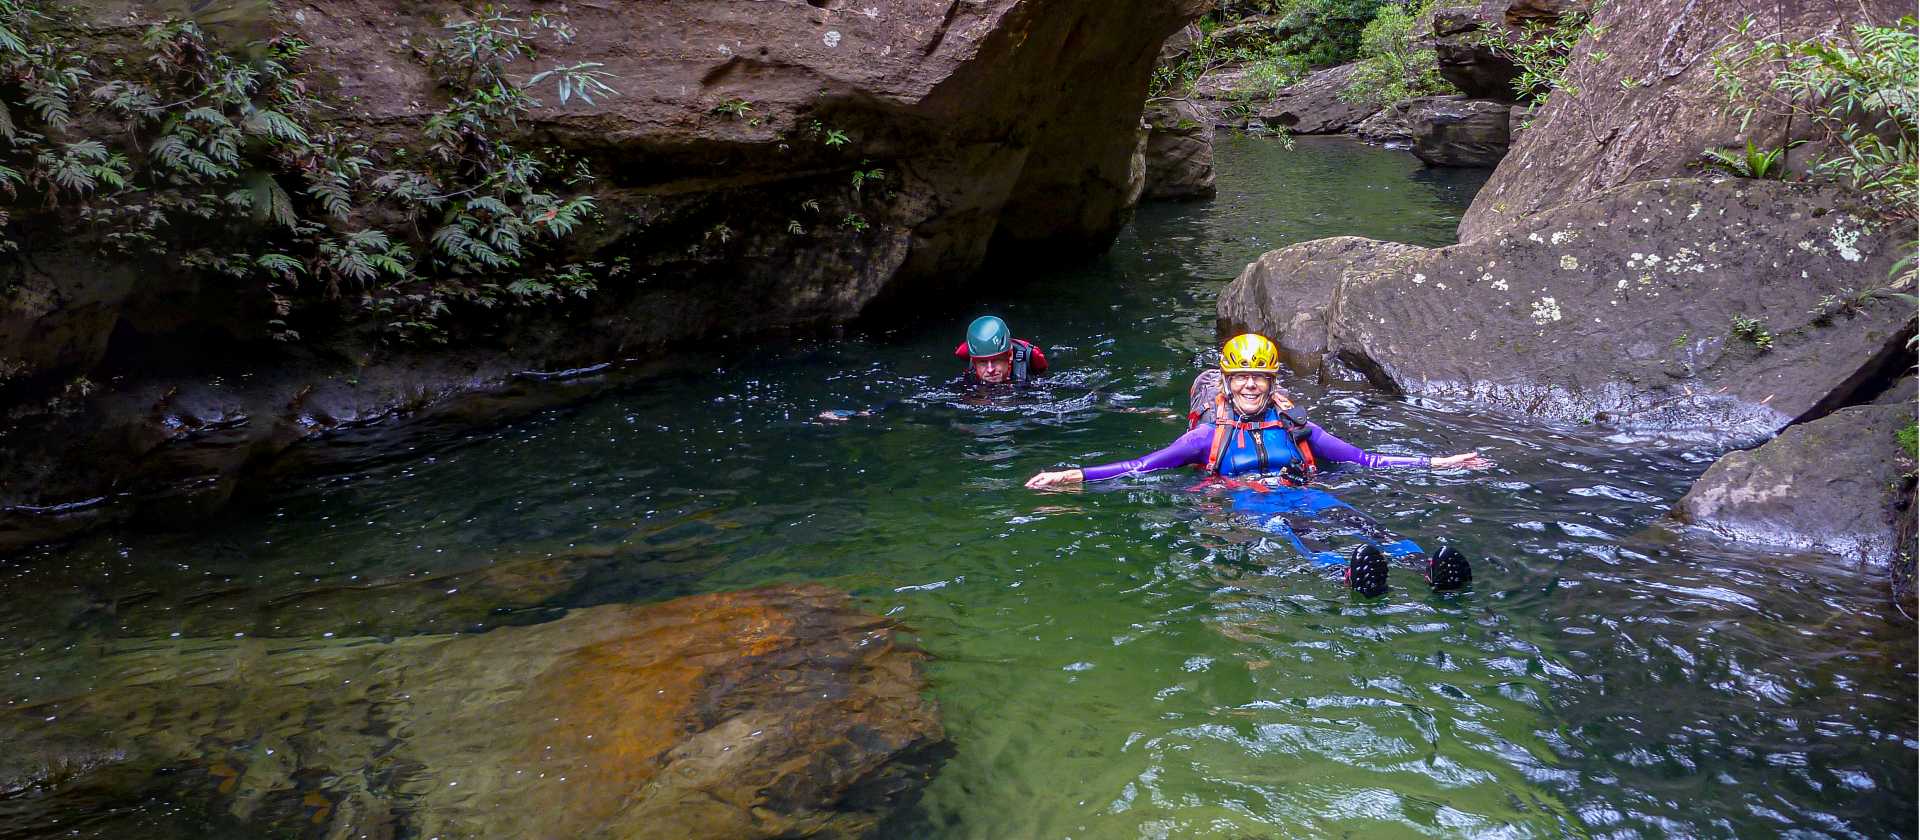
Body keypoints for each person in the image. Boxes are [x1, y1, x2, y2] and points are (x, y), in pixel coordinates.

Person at [1024, 333, 1491, 595]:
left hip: (1306, 490)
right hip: (1252, 503)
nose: (1251, 385)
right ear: (1227, 382)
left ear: (1272, 382)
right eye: (1242, 376)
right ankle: (1348, 574)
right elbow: (1141, 467)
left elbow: (1365, 459)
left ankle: (1426, 567)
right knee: (1299, 532)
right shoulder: (1206, 435)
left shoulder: (1296, 427)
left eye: (1259, 377)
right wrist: (1077, 474)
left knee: (1364, 523)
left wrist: (1438, 462)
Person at [955, 315, 1048, 385]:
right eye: (982, 362)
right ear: (974, 363)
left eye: (996, 360)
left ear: (1010, 355)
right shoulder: (969, 353)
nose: (990, 369)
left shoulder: (1033, 358)